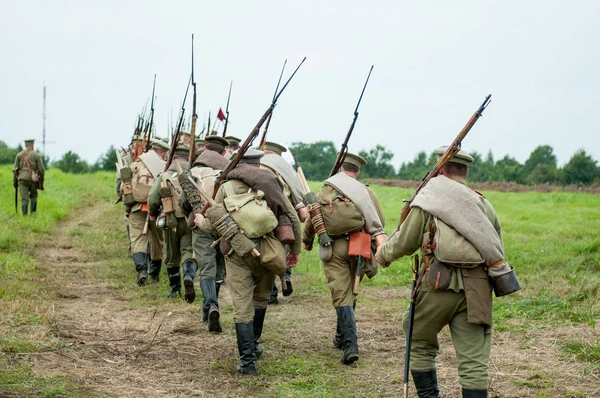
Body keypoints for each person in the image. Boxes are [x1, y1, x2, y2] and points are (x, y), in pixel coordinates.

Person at [375, 147, 503, 398]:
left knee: (419, 341)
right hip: (477, 289)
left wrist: (383, 254)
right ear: (465, 172)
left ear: (440, 170)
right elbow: (496, 246)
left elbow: (405, 241)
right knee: (474, 363)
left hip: (437, 283)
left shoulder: (429, 201)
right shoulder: (484, 204)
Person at [195, 149, 302, 375]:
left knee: (242, 305)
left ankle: (247, 362)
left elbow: (216, 224)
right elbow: (292, 216)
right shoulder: (272, 183)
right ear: (258, 164)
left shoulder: (225, 186)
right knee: (261, 298)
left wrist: (200, 221)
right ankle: (253, 344)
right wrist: (295, 249)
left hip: (237, 253)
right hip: (270, 249)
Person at [302, 153, 387, 365]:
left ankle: (349, 344)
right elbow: (380, 219)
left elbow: (314, 218)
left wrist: (307, 240)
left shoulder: (325, 190)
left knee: (341, 292)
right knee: (352, 289)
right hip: (359, 246)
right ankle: (343, 338)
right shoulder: (365, 191)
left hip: (334, 247)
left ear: (340, 169)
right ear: (356, 172)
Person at [180, 135, 230, 333]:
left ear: (205, 149)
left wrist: (189, 215)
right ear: (223, 152)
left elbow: (184, 201)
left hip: (201, 222)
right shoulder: (230, 171)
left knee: (206, 267)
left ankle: (211, 305)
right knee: (219, 267)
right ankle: (210, 308)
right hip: (225, 223)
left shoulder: (194, 171)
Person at [260, 141, 309, 303]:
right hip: (284, 215)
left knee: (266, 252)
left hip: (260, 212)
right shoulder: (284, 167)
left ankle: (271, 293)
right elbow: (296, 190)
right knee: (283, 250)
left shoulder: (257, 163)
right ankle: (285, 276)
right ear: (279, 154)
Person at [148, 145, 196, 301]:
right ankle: (188, 275)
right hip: (190, 220)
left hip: (171, 220)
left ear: (173, 157)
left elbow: (153, 199)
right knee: (188, 250)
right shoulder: (193, 175)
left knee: (172, 255)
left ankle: (175, 289)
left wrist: (153, 214)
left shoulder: (163, 176)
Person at [118, 139, 167, 286]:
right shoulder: (164, 166)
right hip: (156, 209)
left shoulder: (136, 164)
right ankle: (155, 274)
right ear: (163, 152)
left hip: (136, 208)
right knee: (157, 241)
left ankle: (141, 271)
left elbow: (123, 186)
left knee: (138, 240)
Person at [13, 139, 45, 216]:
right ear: (32, 145)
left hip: (22, 179)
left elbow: (15, 170)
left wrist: (15, 182)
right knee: (34, 196)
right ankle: (33, 216)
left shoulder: (19, 155)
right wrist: (41, 179)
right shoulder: (36, 155)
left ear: (25, 145)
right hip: (33, 179)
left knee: (24, 198)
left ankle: (25, 217)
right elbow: (41, 170)